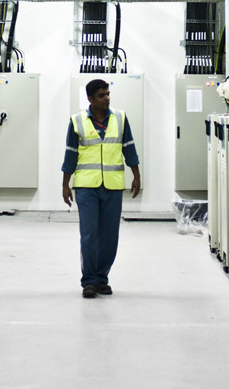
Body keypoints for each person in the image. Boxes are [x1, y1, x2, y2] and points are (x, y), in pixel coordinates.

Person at [62, 78, 141, 298]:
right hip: (86, 187)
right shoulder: (77, 121)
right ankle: (88, 281)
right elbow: (70, 154)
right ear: (90, 99)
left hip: (113, 186)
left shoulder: (120, 118)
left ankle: (101, 278)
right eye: (101, 95)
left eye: (108, 94)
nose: (106, 98)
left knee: (109, 236)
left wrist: (136, 175)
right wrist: (65, 185)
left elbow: (129, 149)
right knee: (89, 234)